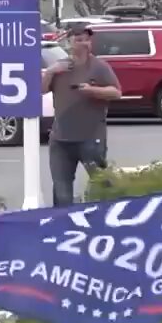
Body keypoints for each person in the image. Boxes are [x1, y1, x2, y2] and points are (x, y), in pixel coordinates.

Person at [42, 25, 122, 207]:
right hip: (61, 140)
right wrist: (50, 72)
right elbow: (41, 90)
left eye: (86, 40)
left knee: (103, 185)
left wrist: (92, 91)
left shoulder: (100, 67)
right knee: (61, 191)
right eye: (78, 40)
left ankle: (106, 221)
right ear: (69, 43)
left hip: (91, 138)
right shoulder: (60, 67)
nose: (84, 44)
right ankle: (64, 227)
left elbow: (116, 92)